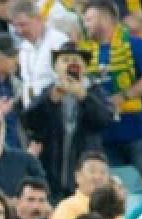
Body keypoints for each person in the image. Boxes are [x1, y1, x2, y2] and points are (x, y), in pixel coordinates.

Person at [78, 0, 142, 175]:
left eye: (89, 19)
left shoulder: (136, 44)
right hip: (103, 134)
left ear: (105, 19)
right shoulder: (84, 51)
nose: (85, 25)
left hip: (137, 129)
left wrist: (123, 96)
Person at [21, 42, 114, 199]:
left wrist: (84, 96)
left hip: (83, 172)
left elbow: (104, 120)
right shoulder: (48, 92)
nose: (72, 64)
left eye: (76, 60)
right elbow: (29, 122)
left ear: (85, 67)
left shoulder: (95, 92)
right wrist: (50, 100)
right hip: (51, 172)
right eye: (65, 60)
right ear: (56, 67)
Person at [11, 0, 70, 106]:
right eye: (15, 26)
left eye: (23, 24)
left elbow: (70, 81)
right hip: (32, 114)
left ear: (38, 19)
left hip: (56, 112)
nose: (19, 31)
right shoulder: (24, 47)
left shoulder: (59, 42)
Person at [49, 151, 110, 219]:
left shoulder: (113, 208)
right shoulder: (67, 207)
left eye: (103, 172)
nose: (98, 177)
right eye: (92, 171)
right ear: (78, 176)